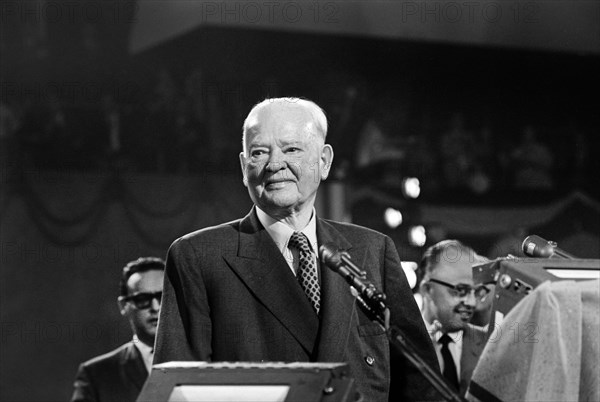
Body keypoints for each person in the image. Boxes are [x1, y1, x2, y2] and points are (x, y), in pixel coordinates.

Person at [154, 98, 440, 401]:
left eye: (291, 149)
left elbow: (420, 383)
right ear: (243, 166)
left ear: (325, 161)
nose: (275, 164)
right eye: (259, 152)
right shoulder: (200, 256)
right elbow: (176, 391)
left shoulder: (372, 249)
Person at [71, 257, 165, 402]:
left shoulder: (205, 361)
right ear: (123, 306)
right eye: (142, 299)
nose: (155, 307)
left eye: (163, 297)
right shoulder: (97, 375)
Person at [419, 240, 488, 396]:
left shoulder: (490, 347)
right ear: (428, 290)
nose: (471, 303)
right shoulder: (397, 345)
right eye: (460, 290)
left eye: (476, 292)